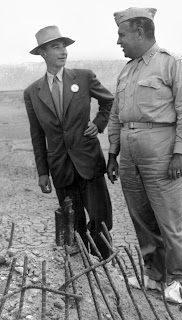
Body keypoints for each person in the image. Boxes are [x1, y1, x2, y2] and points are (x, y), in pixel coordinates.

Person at [107, 7, 182, 303]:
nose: (118, 40)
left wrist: (179, 154)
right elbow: (116, 115)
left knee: (168, 219)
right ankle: (155, 275)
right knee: (141, 217)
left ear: (139, 32)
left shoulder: (171, 64)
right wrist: (113, 152)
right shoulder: (127, 70)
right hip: (129, 155)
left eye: (122, 34)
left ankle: (180, 280)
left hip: (161, 152)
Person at [24, 25, 114, 259]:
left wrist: (99, 123)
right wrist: (43, 172)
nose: (63, 51)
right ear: (43, 53)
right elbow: (37, 135)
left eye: (64, 46)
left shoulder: (83, 77)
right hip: (60, 169)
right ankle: (81, 274)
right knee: (72, 224)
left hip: (88, 163)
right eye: (56, 47)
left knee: (100, 221)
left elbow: (109, 102)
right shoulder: (32, 92)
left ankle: (105, 270)